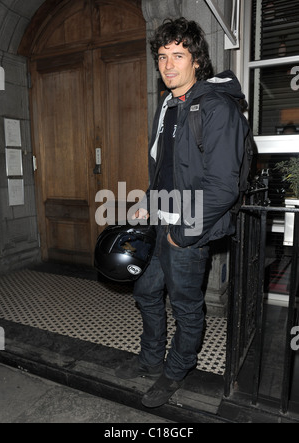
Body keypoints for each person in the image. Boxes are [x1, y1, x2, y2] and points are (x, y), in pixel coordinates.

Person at [115, 17, 249, 408]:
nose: (168, 65)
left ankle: (175, 370)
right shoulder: (169, 105)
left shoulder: (216, 108)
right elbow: (165, 168)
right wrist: (146, 202)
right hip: (163, 220)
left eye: (178, 55)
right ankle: (150, 357)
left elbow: (222, 186)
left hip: (191, 226)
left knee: (186, 305)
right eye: (162, 56)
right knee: (145, 289)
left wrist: (183, 233)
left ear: (197, 61)